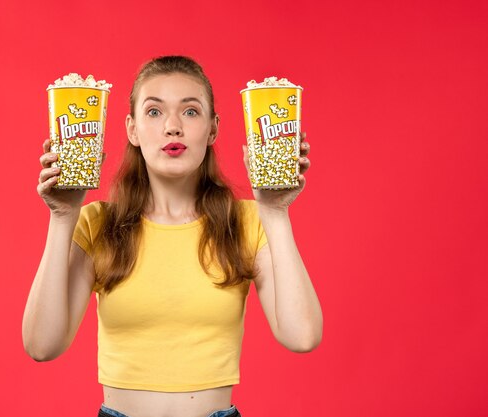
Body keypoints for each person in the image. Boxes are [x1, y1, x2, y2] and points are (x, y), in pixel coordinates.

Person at [23, 56, 323, 417]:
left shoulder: (245, 221)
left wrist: (275, 212)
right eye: (154, 112)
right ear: (132, 130)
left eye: (191, 112)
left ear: (213, 129)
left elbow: (302, 336)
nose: (172, 127)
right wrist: (62, 216)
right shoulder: (98, 223)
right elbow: (42, 345)